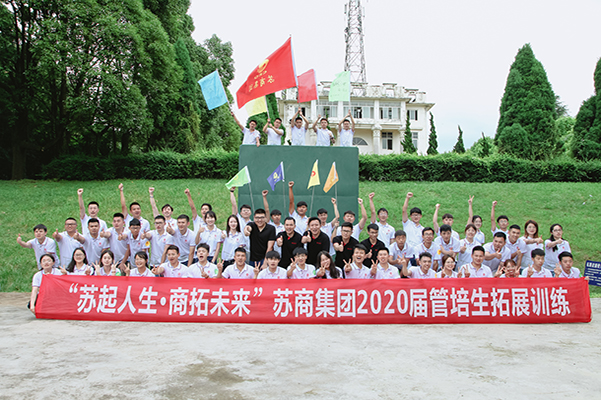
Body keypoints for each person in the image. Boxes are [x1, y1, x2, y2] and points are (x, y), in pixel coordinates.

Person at [262, 190, 285, 254]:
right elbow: (267, 210)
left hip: (281, 252)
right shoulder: (269, 225)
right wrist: (264, 197)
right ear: (271, 217)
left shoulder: (284, 227)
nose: (277, 217)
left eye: (278, 215)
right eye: (275, 215)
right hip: (270, 252)